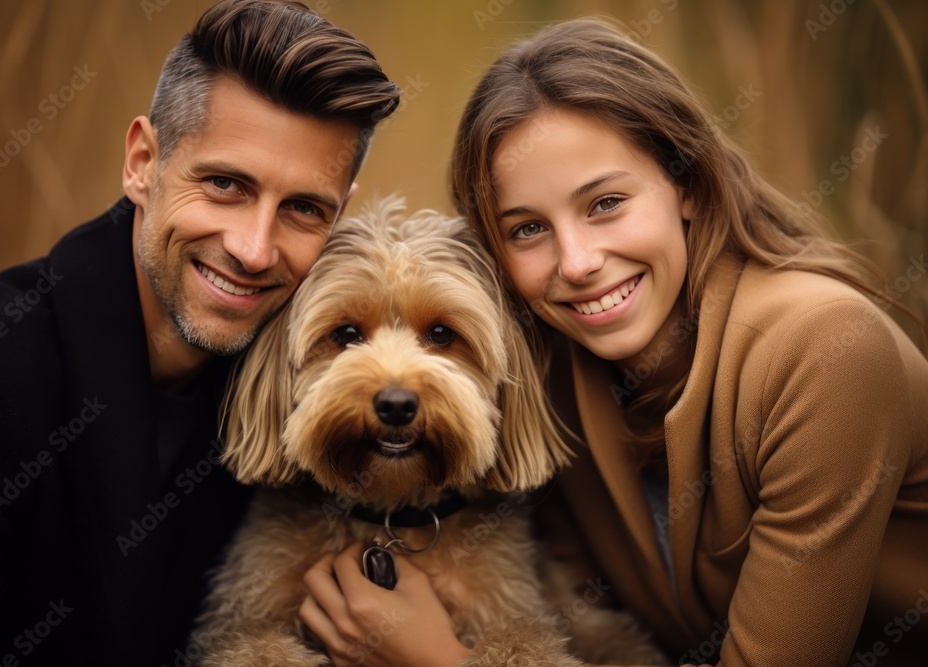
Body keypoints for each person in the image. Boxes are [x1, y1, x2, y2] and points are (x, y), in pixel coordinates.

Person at [298, 16, 928, 667]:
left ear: (685, 180)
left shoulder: (825, 350)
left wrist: (439, 659)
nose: (577, 261)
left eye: (605, 204)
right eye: (527, 229)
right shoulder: (548, 367)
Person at [0, 1, 399, 665]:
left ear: (340, 214)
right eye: (226, 184)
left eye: (302, 208)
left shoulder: (313, 378)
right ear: (143, 162)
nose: (255, 249)